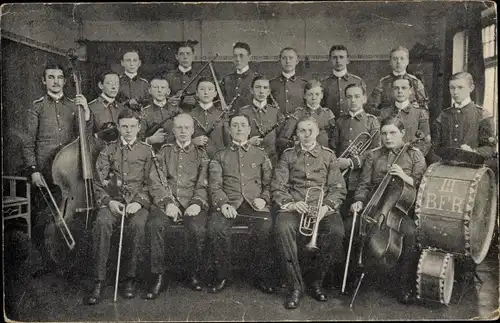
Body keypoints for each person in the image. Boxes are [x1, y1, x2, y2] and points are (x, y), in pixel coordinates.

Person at [22, 61, 91, 276]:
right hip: (45, 172)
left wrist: (86, 112)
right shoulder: (37, 107)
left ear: (64, 81)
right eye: (51, 77)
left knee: (69, 218)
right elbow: (27, 142)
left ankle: (70, 260)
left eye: (59, 77)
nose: (55, 81)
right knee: (42, 219)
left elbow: (84, 137)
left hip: (68, 173)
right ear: (44, 81)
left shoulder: (73, 106)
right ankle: (46, 261)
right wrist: (33, 170)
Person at [272, 116, 347, 309]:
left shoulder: (328, 156)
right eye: (301, 131)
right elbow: (278, 186)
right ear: (296, 134)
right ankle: (295, 286)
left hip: (322, 209)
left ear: (317, 133)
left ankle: (315, 281)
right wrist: (292, 203)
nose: (306, 135)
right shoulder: (288, 155)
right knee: (282, 228)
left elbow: (338, 188)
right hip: (295, 208)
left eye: (310, 130)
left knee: (337, 232)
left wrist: (326, 207)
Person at [351, 116, 427, 304]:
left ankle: (403, 285)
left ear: (402, 133)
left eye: (392, 132)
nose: (387, 137)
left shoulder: (414, 154)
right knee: (350, 228)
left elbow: (424, 184)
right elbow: (364, 184)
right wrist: (359, 201)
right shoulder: (373, 155)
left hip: (401, 210)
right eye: (384, 133)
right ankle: (358, 277)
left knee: (410, 234)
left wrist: (403, 176)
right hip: (375, 205)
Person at [85, 109, 154, 305]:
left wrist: (138, 202)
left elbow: (152, 182)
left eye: (133, 126)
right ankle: (98, 280)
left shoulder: (147, 151)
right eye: (124, 126)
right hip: (113, 201)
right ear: (118, 127)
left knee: (138, 226)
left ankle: (129, 279)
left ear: (139, 127)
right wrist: (109, 201)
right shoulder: (107, 150)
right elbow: (99, 181)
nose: (129, 130)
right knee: (102, 224)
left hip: (137, 203)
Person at [207, 114, 277, 294]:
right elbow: (215, 185)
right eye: (235, 125)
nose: (239, 129)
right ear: (229, 130)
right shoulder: (220, 155)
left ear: (249, 130)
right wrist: (223, 204)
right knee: (216, 228)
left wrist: (264, 198)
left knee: (265, 227)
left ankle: (260, 275)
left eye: (243, 125)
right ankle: (223, 275)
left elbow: (270, 184)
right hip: (230, 203)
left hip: (255, 205)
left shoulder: (261, 154)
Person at [147, 113, 210, 298]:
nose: (183, 131)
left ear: (192, 130)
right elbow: (155, 181)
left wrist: (197, 203)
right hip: (168, 201)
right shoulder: (164, 152)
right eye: (179, 128)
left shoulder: (201, 154)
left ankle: (193, 273)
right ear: (173, 131)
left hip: (192, 203)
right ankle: (158, 275)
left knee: (197, 228)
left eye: (187, 128)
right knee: (155, 225)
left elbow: (204, 183)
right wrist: (167, 203)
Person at [331, 83, 380, 223]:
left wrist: (352, 161)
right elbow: (333, 146)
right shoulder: (340, 121)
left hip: (361, 177)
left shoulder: (372, 121)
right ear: (345, 100)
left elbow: (376, 150)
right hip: (341, 177)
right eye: (349, 97)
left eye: (357, 96)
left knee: (355, 219)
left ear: (364, 99)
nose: (353, 100)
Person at [433, 72, 496, 164]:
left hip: (472, 169)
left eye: (460, 87)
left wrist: (473, 152)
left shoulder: (482, 115)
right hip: (446, 168)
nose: (455, 92)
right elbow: (435, 147)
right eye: (452, 88)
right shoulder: (443, 116)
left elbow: (490, 148)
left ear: (471, 88)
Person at [378, 76, 432, 156]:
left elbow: (425, 142)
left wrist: (408, 158)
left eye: (404, 88)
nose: (400, 91)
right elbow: (379, 140)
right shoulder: (384, 113)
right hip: (386, 159)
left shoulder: (420, 113)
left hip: (411, 161)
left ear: (410, 91)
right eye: (396, 88)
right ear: (392, 91)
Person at [366, 45, 428, 114]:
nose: (398, 62)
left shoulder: (416, 82)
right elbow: (370, 107)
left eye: (402, 58)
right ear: (390, 62)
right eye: (395, 59)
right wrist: (384, 114)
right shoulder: (383, 83)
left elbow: (424, 109)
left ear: (407, 61)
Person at [279, 80, 335, 153]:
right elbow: (283, 139)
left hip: (323, 155)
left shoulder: (328, 114)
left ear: (322, 95)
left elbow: (335, 139)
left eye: (317, 94)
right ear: (305, 96)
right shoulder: (298, 113)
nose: (314, 98)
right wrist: (295, 145)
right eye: (310, 94)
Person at [239, 75, 286, 165]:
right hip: (249, 160)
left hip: (272, 161)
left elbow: (281, 138)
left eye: (265, 88)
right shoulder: (244, 112)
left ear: (268, 92)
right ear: (251, 90)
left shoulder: (275, 112)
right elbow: (238, 139)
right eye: (258, 87)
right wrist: (248, 142)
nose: (261, 91)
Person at [189, 77, 231, 158]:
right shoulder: (189, 115)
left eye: (210, 89)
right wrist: (192, 142)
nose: (206, 92)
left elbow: (228, 143)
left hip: (218, 162)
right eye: (202, 89)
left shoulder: (223, 115)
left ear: (215, 93)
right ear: (197, 93)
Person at [139, 75, 182, 151]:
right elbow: (136, 137)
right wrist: (149, 140)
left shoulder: (177, 110)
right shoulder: (144, 112)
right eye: (155, 87)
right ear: (150, 91)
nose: (159, 90)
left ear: (168, 91)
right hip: (152, 153)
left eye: (163, 88)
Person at [322, 45, 366, 118]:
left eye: (341, 57)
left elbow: (364, 107)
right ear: (330, 60)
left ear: (348, 60)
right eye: (334, 57)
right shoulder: (323, 83)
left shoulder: (358, 81)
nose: (338, 61)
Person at [89, 70, 126, 153]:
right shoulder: (91, 108)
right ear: (100, 85)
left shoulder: (123, 109)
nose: (114, 87)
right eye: (109, 83)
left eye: (116, 83)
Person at [221, 42, 261, 112]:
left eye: (241, 56)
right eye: (235, 56)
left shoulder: (256, 79)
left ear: (249, 57)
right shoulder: (227, 79)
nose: (237, 59)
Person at [269, 47, 307, 116]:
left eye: (291, 58)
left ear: (297, 61)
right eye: (284, 58)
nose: (288, 61)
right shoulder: (271, 84)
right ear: (279, 61)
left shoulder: (304, 84)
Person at [164, 41, 200, 112]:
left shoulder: (200, 77)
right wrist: (168, 101)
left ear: (193, 56)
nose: (185, 57)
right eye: (181, 54)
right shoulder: (167, 78)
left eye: (188, 54)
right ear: (176, 57)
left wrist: (196, 100)